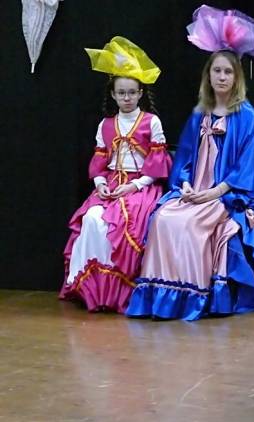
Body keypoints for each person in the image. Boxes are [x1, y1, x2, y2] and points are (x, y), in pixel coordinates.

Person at [126, 5, 254, 320]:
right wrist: (184, 186)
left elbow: (247, 169)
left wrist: (212, 193)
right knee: (164, 218)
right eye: (216, 71)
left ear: (236, 77)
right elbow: (183, 159)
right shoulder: (199, 113)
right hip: (194, 191)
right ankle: (161, 298)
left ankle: (194, 298)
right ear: (208, 75)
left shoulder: (246, 116)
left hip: (225, 196)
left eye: (228, 72)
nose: (221, 77)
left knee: (191, 226)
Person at [60, 36, 171, 313]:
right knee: (92, 218)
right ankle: (94, 288)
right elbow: (99, 162)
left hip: (142, 186)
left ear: (141, 93)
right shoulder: (106, 124)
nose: (127, 98)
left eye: (132, 92)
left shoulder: (151, 122)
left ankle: (120, 289)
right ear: (113, 95)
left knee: (124, 223)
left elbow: (157, 165)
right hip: (111, 183)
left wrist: (134, 186)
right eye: (121, 93)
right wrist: (100, 184)